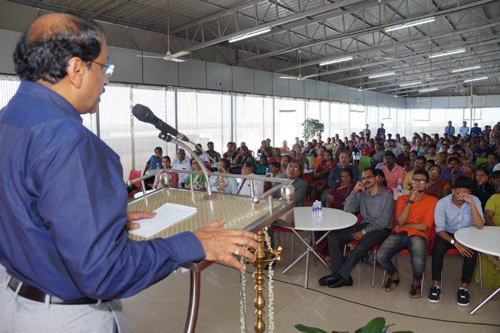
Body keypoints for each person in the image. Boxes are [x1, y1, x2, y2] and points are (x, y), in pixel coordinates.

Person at [0, 14, 258, 332]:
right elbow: (105, 274)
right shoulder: (71, 142)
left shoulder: (8, 121)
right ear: (76, 70)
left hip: (14, 303)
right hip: (64, 319)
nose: (106, 80)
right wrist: (191, 244)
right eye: (103, 67)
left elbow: (22, 211)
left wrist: (95, 222)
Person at [318, 167, 394, 288]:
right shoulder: (362, 195)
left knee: (360, 247)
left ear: (377, 178)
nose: (366, 180)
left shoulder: (387, 196)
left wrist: (363, 232)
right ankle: (341, 275)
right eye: (363, 178)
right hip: (365, 224)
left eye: (369, 177)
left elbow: (384, 221)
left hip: (381, 229)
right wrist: (354, 191)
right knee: (333, 236)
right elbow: (348, 209)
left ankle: (339, 276)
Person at [377, 170, 438, 298]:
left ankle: (416, 281)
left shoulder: (432, 201)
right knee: (381, 255)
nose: (418, 183)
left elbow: (424, 226)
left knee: (418, 260)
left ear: (426, 185)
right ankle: (395, 275)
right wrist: (410, 201)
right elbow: (400, 220)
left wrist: (403, 225)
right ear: (411, 182)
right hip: (400, 233)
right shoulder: (402, 199)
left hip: (419, 235)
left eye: (422, 181)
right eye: (415, 180)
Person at [428, 176, 485, 306]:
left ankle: (463, 288)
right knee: (437, 250)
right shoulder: (442, 203)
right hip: (447, 234)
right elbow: (440, 230)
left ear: (470, 193)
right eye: (458, 193)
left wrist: (471, 204)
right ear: (453, 191)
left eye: (465, 194)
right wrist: (456, 243)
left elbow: (480, 225)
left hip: (467, 233)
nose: (461, 197)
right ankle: (436, 285)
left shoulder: (474, 201)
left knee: (471, 254)